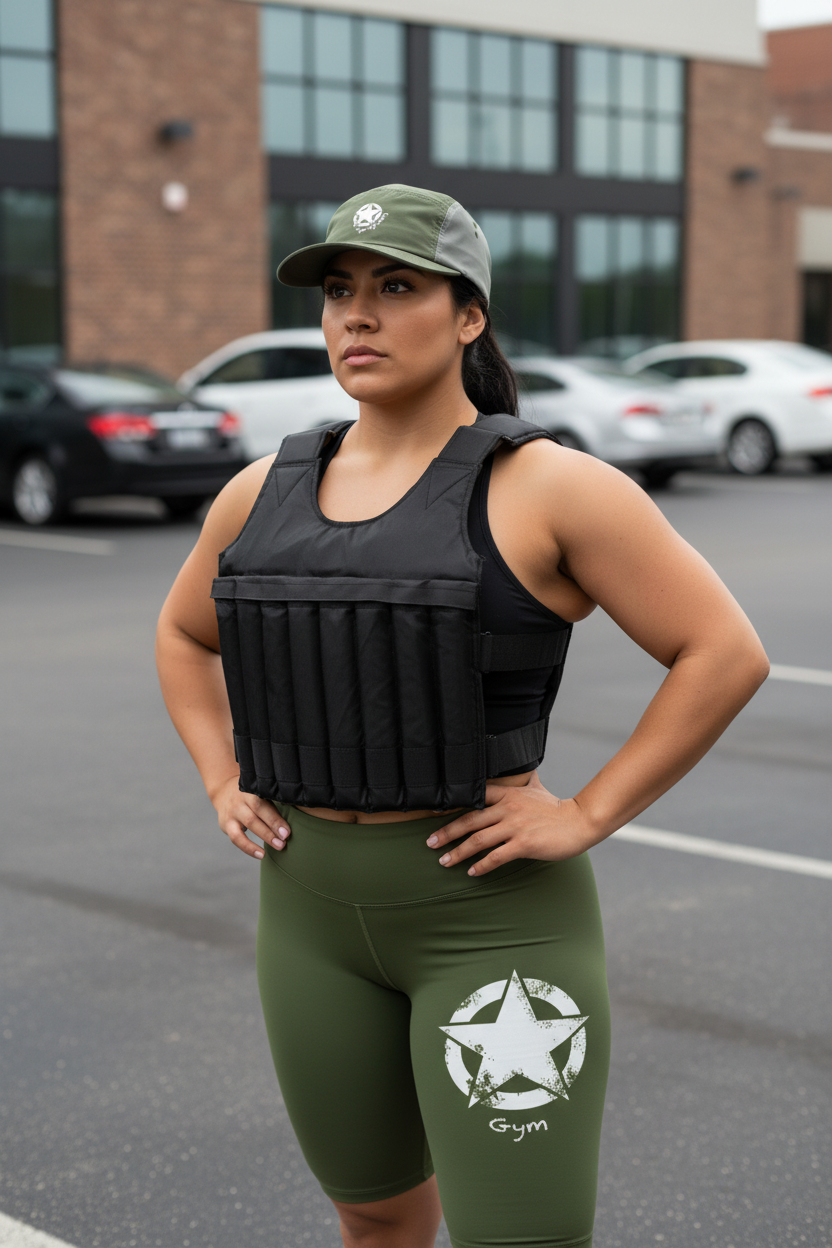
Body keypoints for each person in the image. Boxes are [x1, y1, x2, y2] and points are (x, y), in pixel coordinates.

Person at [156, 183, 769, 1248]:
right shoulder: (262, 490)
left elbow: (722, 653)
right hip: (306, 916)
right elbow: (182, 635)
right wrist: (220, 777)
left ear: (469, 313)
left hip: (493, 930)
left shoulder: (549, 488)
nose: (357, 314)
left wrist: (584, 814)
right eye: (340, 290)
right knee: (376, 1215)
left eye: (397, 287)